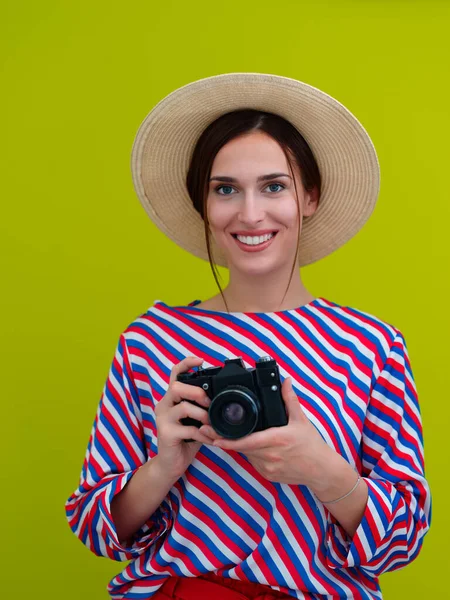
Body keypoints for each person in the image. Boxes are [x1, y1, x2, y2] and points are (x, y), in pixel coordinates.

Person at [65, 73, 432, 600]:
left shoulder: (371, 346)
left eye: (274, 186)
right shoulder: (150, 341)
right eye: (226, 189)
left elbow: (404, 541)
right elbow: (97, 528)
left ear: (309, 196)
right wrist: (165, 464)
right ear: (204, 205)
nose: (250, 213)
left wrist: (322, 469)